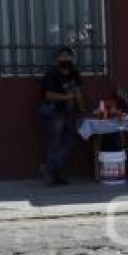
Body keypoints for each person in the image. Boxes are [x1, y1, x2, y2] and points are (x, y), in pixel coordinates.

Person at [40, 47, 84, 186]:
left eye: (68, 56)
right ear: (57, 59)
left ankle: (54, 171)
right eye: (62, 56)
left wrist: (83, 110)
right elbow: (47, 95)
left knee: (68, 143)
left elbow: (78, 92)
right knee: (55, 143)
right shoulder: (52, 74)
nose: (65, 59)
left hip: (70, 113)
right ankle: (52, 174)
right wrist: (66, 97)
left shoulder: (74, 73)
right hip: (54, 112)